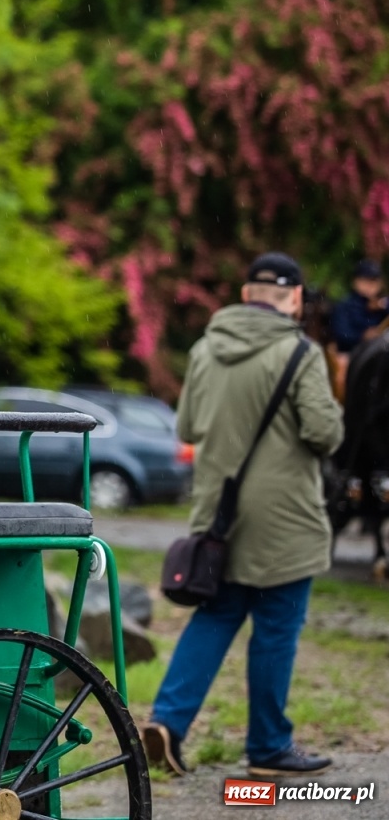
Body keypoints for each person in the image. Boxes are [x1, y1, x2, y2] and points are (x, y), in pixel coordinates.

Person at [141, 253, 344, 779]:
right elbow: (325, 434)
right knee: (277, 629)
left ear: (247, 293)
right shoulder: (300, 352)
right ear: (295, 297)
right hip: (284, 520)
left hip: (218, 518)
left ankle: (167, 722)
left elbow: (186, 427)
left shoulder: (207, 348)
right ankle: (269, 747)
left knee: (215, 616)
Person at [329, 259, 387, 356]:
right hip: (350, 354)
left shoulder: (383, 305)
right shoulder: (345, 306)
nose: (371, 286)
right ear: (356, 282)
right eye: (366, 281)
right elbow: (342, 334)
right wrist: (362, 336)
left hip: (380, 353)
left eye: (374, 281)